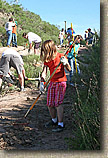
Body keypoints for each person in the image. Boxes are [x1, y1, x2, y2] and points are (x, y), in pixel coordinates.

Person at [40, 40, 71, 132]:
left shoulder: (61, 56)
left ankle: (60, 124)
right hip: (52, 82)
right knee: (50, 103)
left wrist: (65, 63)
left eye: (45, 50)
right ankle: (54, 120)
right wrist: (42, 82)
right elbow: (44, 71)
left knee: (58, 103)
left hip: (61, 82)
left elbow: (69, 69)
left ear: (50, 49)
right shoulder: (47, 59)